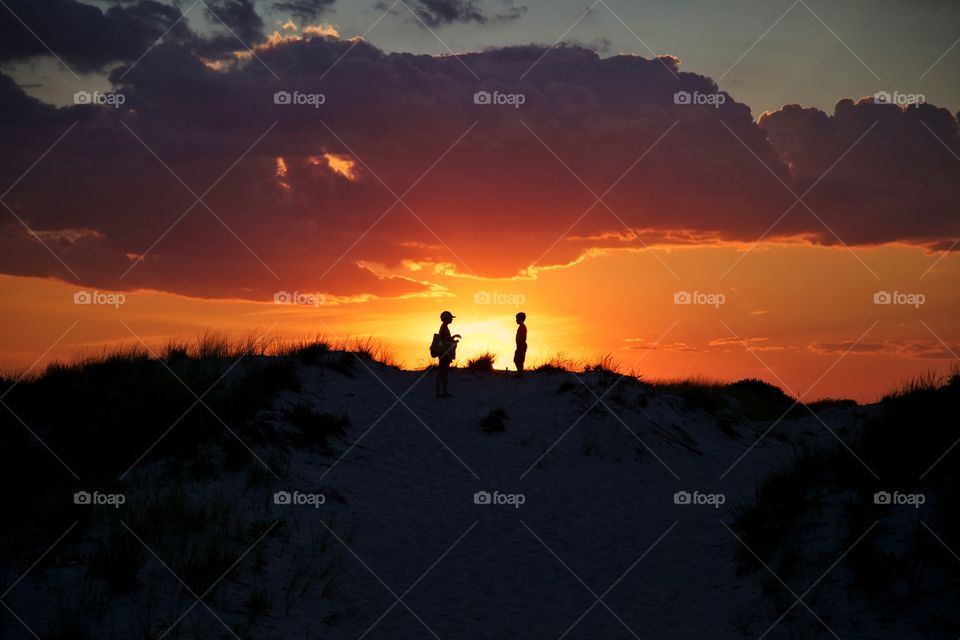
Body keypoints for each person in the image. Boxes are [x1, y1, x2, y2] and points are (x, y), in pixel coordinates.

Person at [435, 310, 461, 397]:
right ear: (446, 318)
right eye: (450, 318)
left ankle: (442, 392)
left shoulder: (444, 327)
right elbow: (445, 341)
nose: (452, 319)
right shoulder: (444, 328)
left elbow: (445, 340)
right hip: (444, 353)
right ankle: (440, 393)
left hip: (444, 352)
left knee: (443, 372)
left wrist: (454, 337)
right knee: (442, 372)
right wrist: (453, 341)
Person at [513, 312, 527, 378]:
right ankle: (520, 372)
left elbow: (523, 337)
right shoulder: (521, 327)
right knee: (517, 360)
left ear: (521, 319)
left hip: (521, 345)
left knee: (519, 360)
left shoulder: (523, 327)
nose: (516, 320)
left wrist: (520, 344)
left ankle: (520, 373)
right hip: (519, 345)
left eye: (517, 319)